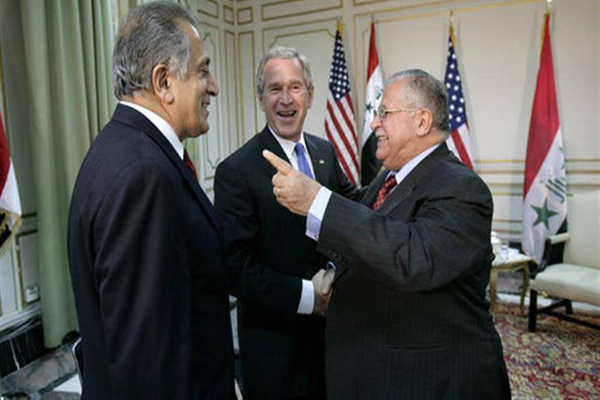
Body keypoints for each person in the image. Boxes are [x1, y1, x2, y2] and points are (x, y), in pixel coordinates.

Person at [263, 69, 511, 399]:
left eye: (384, 113)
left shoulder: (462, 188)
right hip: (378, 365)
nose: (374, 123)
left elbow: (413, 258)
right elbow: (370, 231)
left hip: (432, 379)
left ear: (421, 122)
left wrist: (316, 201)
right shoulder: (387, 179)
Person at [67, 3, 235, 399]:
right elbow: (148, 366)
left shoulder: (122, 148)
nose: (213, 87)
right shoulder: (144, 174)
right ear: (163, 82)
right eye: (203, 71)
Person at [213, 47, 359, 399]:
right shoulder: (237, 170)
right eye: (275, 88)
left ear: (310, 94)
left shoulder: (325, 152)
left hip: (335, 343)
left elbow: (352, 207)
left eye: (295, 87)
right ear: (261, 98)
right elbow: (237, 269)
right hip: (276, 353)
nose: (286, 98)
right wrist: (312, 297)